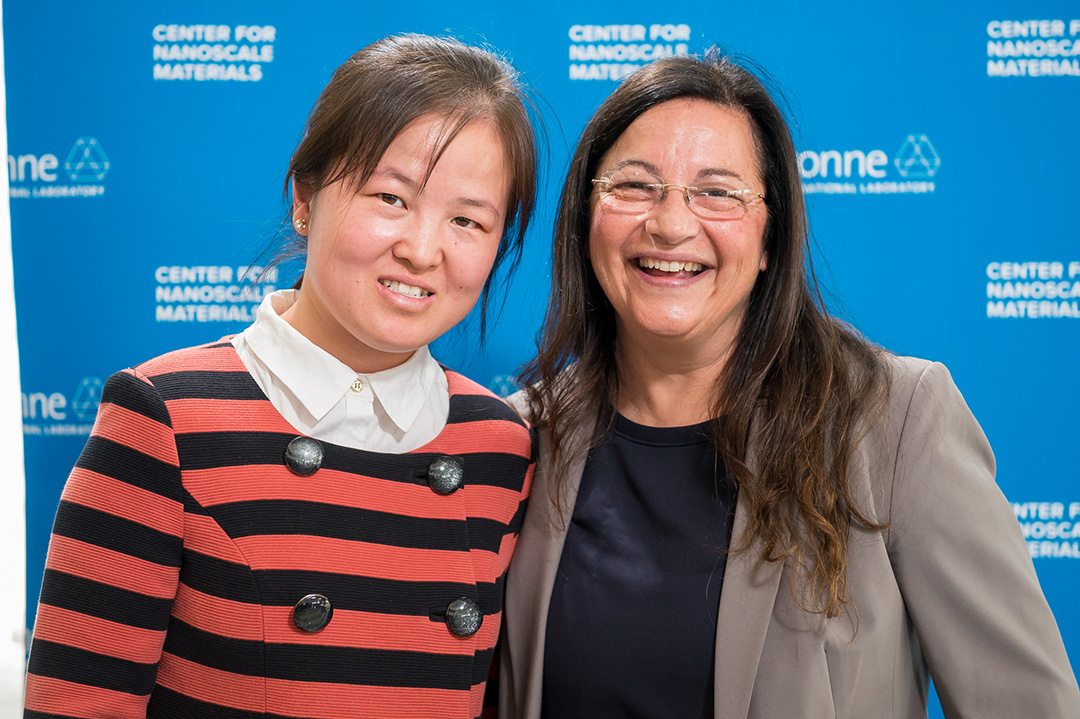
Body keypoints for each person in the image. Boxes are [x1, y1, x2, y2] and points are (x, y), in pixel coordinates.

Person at [499, 52, 1080, 719]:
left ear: (772, 234)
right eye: (633, 186)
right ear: (584, 216)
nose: (670, 223)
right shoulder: (522, 437)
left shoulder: (894, 420)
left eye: (717, 192)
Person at [25, 34, 537, 719]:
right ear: (305, 195)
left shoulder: (499, 445)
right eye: (390, 196)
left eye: (469, 220)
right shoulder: (165, 417)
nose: (422, 249)